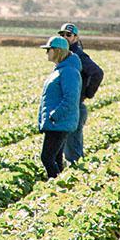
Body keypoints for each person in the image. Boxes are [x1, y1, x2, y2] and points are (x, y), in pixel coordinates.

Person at [58, 23, 104, 165]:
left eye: (68, 35)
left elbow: (97, 73)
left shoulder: (78, 55)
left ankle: (78, 177)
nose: (65, 37)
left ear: (76, 37)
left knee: (73, 149)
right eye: (62, 34)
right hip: (69, 105)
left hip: (76, 106)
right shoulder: (65, 54)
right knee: (66, 145)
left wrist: (88, 93)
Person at [37, 35, 82, 178]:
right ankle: (60, 185)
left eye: (49, 50)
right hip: (56, 122)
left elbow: (71, 99)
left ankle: (55, 184)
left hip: (59, 122)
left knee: (47, 157)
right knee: (55, 158)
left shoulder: (68, 71)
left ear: (57, 51)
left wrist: (55, 115)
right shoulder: (61, 69)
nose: (47, 53)